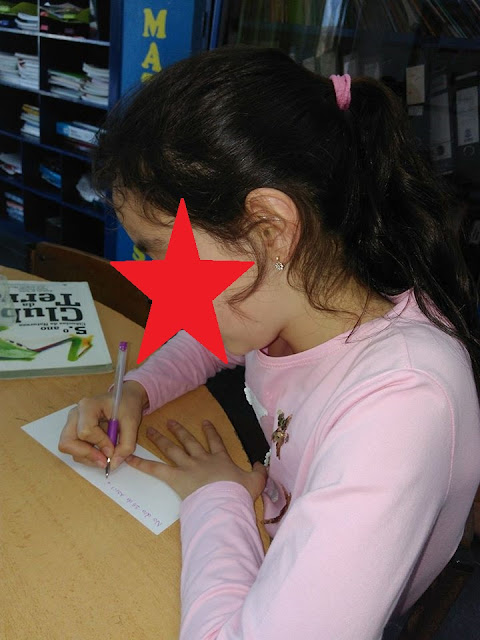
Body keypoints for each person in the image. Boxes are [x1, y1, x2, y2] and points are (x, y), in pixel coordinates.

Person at [58, 47, 480, 639]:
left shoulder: (404, 405)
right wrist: (138, 390)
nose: (160, 284)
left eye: (161, 252)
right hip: (281, 532)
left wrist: (217, 496)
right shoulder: (307, 295)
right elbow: (213, 342)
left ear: (270, 229)